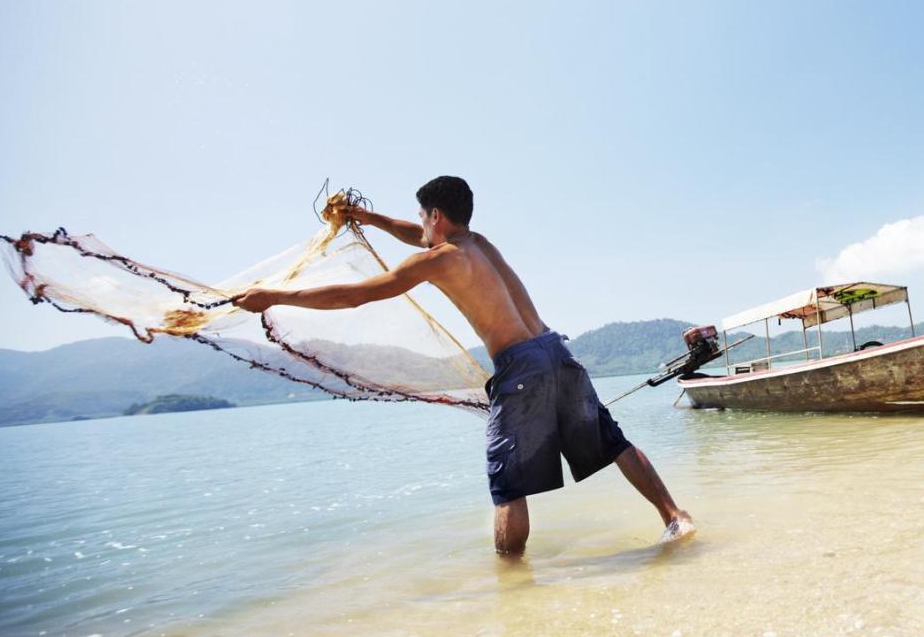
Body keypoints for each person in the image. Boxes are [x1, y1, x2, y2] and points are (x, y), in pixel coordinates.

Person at [232, 176, 694, 554]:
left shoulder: (437, 261)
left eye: (422, 216)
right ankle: (676, 518)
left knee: (507, 481)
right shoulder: (480, 243)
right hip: (557, 350)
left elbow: (357, 295)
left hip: (520, 365)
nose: (418, 226)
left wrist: (273, 295)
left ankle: (512, 586)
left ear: (435, 216)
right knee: (613, 442)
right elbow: (417, 234)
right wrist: (367, 218)